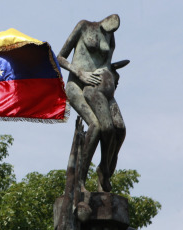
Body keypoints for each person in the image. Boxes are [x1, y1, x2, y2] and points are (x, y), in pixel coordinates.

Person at [57, 14, 128, 192]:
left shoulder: (111, 39)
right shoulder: (83, 26)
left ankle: (105, 170)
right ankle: (79, 181)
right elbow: (60, 57)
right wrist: (80, 73)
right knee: (96, 126)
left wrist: (111, 75)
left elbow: (105, 64)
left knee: (119, 129)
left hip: (98, 89)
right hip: (77, 86)